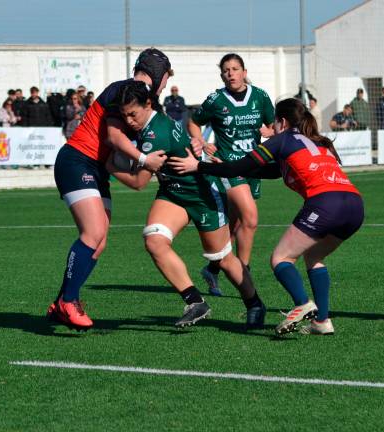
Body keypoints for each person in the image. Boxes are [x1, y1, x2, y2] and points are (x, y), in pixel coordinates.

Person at [170, 98, 364, 336]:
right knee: (314, 256)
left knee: (281, 258)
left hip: (326, 203)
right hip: (355, 205)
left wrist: (199, 166)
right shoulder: (319, 141)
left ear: (281, 122)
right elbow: (271, 170)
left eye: (273, 122)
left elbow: (239, 169)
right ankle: (322, 321)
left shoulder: (281, 139)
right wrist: (230, 165)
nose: (270, 127)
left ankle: (303, 304)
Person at [107, 81, 267, 328]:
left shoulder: (154, 135)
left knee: (224, 259)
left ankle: (254, 303)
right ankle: (195, 301)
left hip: (202, 194)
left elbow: (139, 181)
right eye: (124, 115)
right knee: (154, 240)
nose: (128, 121)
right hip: (173, 193)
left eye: (132, 114)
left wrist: (108, 166)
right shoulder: (154, 121)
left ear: (148, 105)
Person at [48, 48, 174, 331]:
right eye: (166, 78)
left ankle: (60, 304)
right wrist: (143, 159)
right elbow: (113, 135)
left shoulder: (145, 99)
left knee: (99, 240)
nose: (166, 84)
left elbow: (138, 171)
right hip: (77, 161)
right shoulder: (124, 90)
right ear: (159, 75)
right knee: (92, 234)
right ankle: (69, 301)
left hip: (96, 168)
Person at [188, 53, 275, 296]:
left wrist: (271, 133)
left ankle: (213, 269)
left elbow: (272, 126)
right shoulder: (216, 99)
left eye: (235, 68)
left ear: (244, 72)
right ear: (222, 75)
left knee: (236, 226)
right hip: (228, 166)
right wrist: (202, 143)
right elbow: (194, 122)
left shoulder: (260, 96)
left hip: (254, 165)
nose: (231, 73)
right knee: (251, 218)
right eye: (226, 70)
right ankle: (243, 274)